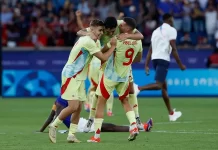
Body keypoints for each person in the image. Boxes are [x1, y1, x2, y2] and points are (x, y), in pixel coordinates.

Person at [48, 19, 117, 143]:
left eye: (102, 30)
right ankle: (54, 125)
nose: (101, 33)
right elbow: (103, 58)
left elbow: (81, 32)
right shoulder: (88, 41)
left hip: (79, 76)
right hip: (71, 75)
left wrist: (91, 35)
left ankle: (71, 135)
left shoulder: (93, 40)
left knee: (79, 107)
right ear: (92, 29)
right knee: (73, 106)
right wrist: (113, 46)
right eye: (100, 30)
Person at [77, 16, 145, 131]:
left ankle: (137, 119)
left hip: (121, 64)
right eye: (108, 31)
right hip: (107, 62)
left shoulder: (121, 25)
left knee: (131, 90)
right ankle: (90, 120)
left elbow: (140, 36)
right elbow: (79, 31)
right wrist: (91, 34)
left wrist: (127, 36)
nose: (110, 33)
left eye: (113, 31)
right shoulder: (100, 28)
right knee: (98, 94)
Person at [134, 13, 186, 121]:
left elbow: (150, 49)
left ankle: (171, 113)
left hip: (155, 59)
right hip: (163, 59)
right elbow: (174, 48)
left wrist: (146, 65)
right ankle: (138, 88)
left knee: (164, 87)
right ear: (170, 19)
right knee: (158, 85)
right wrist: (180, 65)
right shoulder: (172, 30)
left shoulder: (156, 31)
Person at [39, 96, 153, 133]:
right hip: (78, 127)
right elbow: (53, 117)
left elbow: (50, 117)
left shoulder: (58, 100)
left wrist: (41, 130)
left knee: (107, 126)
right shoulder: (67, 98)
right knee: (108, 127)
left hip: (79, 123)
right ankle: (138, 128)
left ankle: (137, 127)